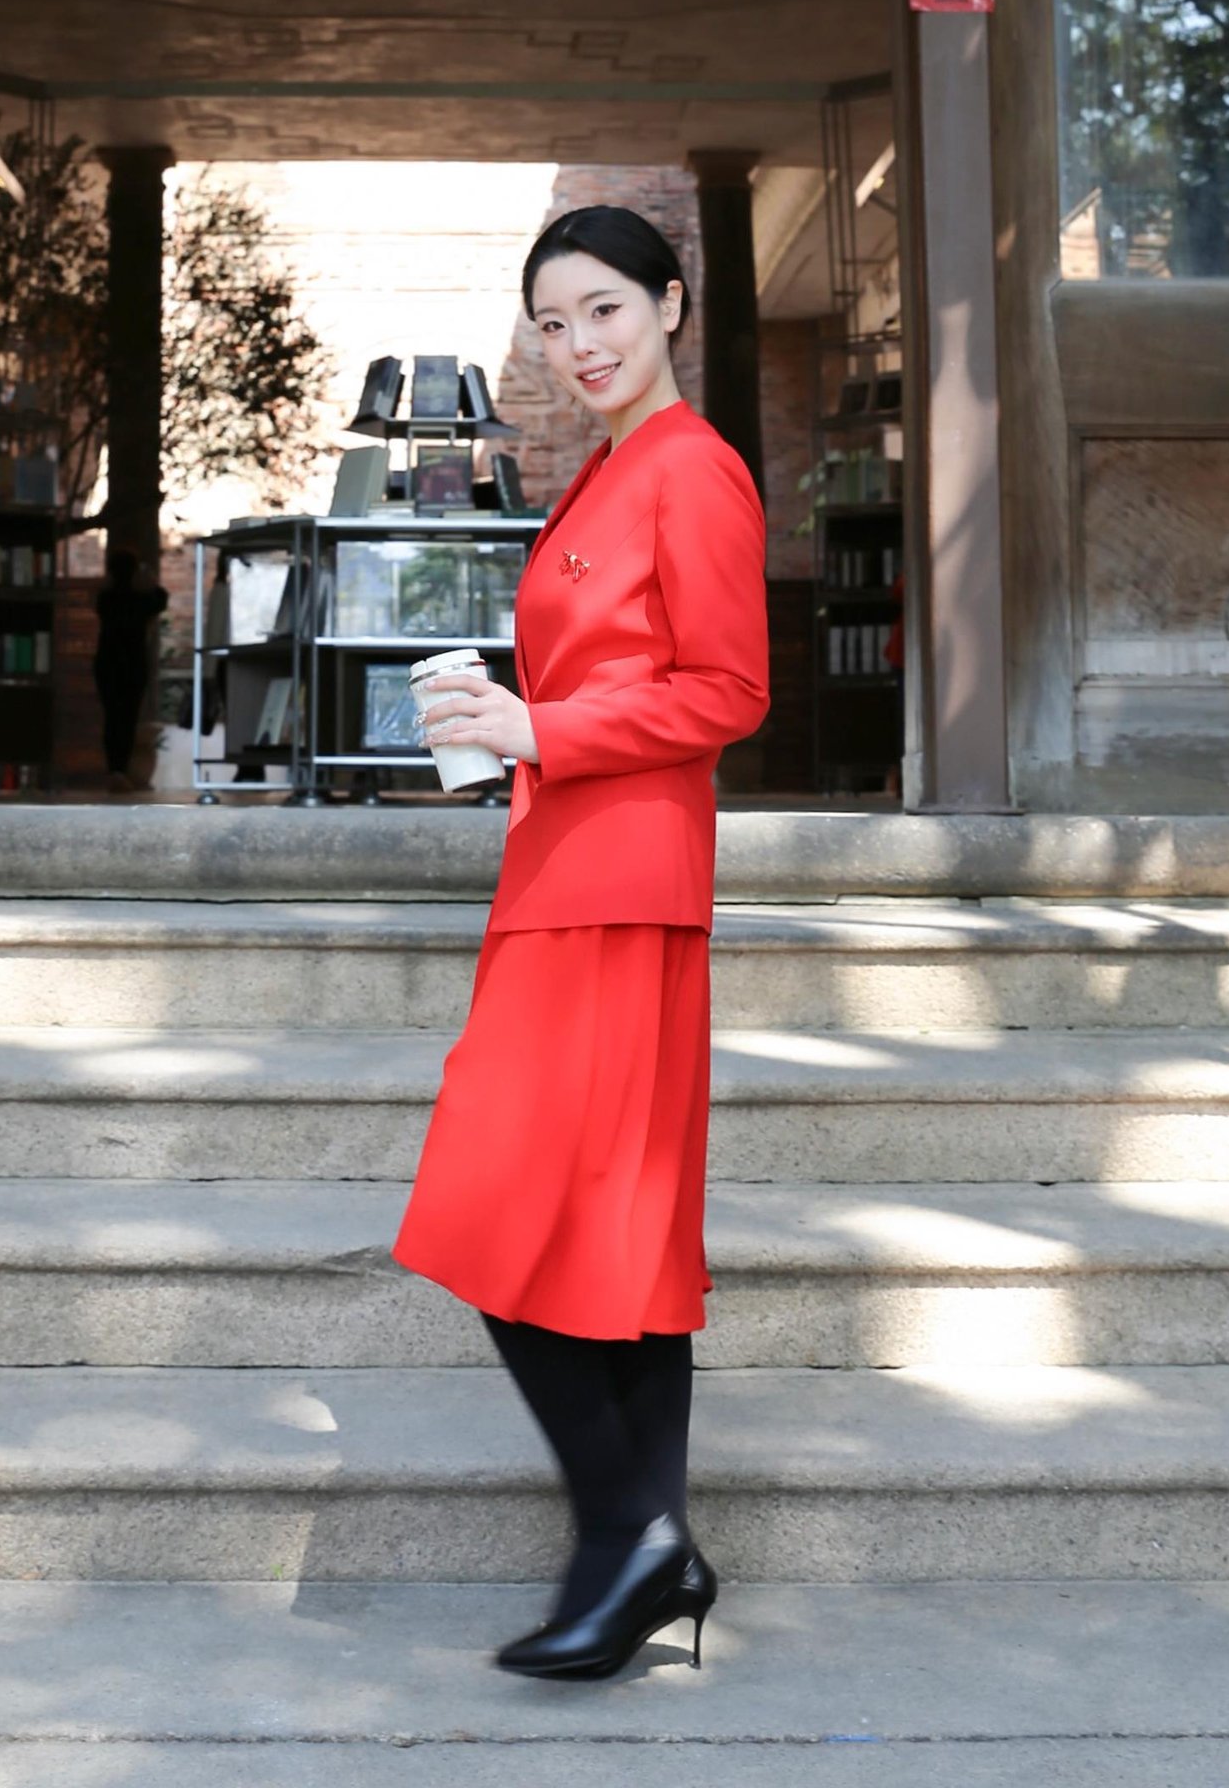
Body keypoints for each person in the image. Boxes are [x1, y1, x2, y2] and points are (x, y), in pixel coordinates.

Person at [393, 205, 770, 1681]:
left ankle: (634, 1536)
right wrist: (514, 724)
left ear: (670, 306)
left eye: (604, 309)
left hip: (620, 884)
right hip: (565, 868)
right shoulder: (609, 476)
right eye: (553, 326)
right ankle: (641, 1554)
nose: (579, 347)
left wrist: (544, 725)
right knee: (610, 1232)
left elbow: (728, 688)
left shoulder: (692, 470)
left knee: (496, 1208)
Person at [92, 545, 168, 788]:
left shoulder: (107, 598)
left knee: (112, 717)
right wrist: (150, 579)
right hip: (133, 665)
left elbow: (95, 599)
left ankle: (115, 769)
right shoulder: (140, 600)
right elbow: (161, 598)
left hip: (107, 663)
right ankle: (119, 770)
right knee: (127, 717)